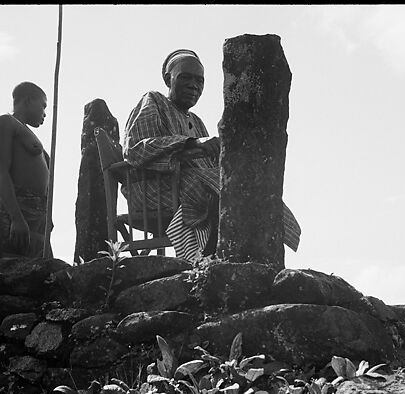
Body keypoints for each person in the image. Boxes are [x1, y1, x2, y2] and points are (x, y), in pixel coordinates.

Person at [121, 49, 300, 262]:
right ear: (168, 78)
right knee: (219, 188)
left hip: (190, 185)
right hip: (155, 188)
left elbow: (212, 161)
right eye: (185, 77)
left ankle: (250, 256)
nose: (193, 85)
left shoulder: (196, 122)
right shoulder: (154, 101)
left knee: (245, 185)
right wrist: (193, 143)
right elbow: (136, 149)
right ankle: (210, 257)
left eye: (199, 81)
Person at [0, 82, 53, 258]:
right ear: (27, 101)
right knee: (18, 265)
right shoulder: (7, 123)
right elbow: (2, 172)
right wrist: (16, 218)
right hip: (21, 208)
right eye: (42, 106)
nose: (44, 113)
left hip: (39, 214)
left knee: (46, 272)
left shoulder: (30, 135)